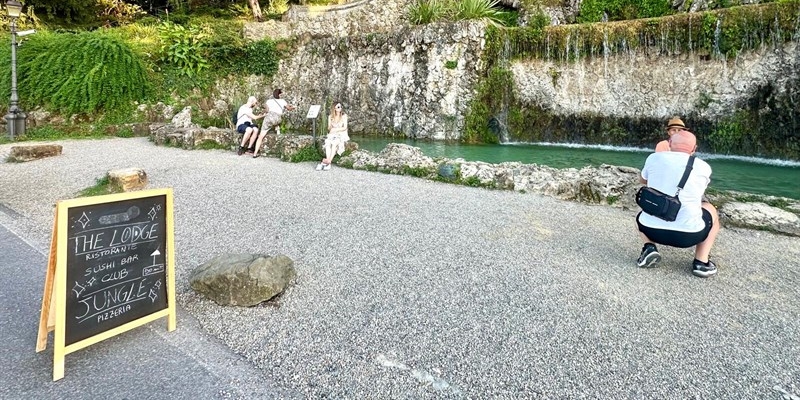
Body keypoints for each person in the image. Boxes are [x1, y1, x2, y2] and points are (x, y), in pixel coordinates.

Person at [636, 130, 721, 277]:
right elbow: (698, 191)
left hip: (650, 229)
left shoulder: (654, 158)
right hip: (689, 236)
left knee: (642, 211)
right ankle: (701, 262)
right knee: (710, 209)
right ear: (694, 149)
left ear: (669, 144)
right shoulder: (703, 166)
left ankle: (649, 247)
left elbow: (643, 180)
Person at [252, 89, 296, 158]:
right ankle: (277, 129)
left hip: (269, 118)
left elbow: (267, 110)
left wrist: (262, 112)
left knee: (260, 136)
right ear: (279, 94)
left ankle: (255, 153)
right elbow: (289, 108)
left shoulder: (269, 101)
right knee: (278, 121)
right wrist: (293, 107)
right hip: (278, 118)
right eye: (281, 94)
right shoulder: (282, 101)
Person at [316, 102, 349, 171]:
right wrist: (331, 126)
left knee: (334, 144)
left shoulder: (344, 116)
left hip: (341, 133)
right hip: (333, 133)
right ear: (334, 108)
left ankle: (328, 161)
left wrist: (336, 129)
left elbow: (345, 127)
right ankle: (329, 163)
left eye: (340, 106)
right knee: (328, 144)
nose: (340, 108)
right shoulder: (330, 116)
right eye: (338, 107)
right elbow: (329, 128)